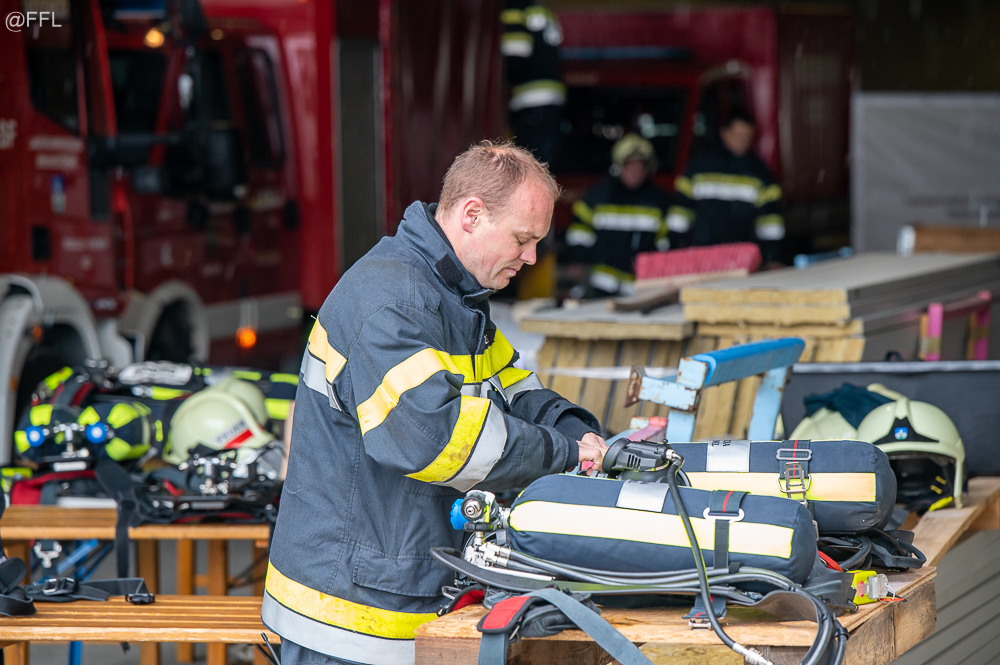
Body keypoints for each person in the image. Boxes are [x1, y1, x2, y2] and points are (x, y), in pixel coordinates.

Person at [262, 141, 609, 665]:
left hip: (397, 588)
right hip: (347, 617)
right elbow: (437, 440)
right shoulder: (391, 301)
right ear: (472, 215)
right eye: (522, 239)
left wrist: (577, 431)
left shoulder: (451, 295)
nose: (532, 258)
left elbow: (514, 389)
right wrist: (563, 454)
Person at [669, 109, 785, 264]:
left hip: (743, 259)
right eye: (738, 135)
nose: (742, 141)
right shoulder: (700, 167)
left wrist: (773, 257)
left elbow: (770, 221)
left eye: (747, 136)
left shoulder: (760, 173)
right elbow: (680, 213)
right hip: (702, 257)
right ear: (724, 133)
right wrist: (673, 250)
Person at [565, 133, 672, 296]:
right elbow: (579, 232)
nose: (635, 172)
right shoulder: (598, 196)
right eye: (630, 166)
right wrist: (578, 259)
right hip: (602, 282)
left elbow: (666, 241)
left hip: (641, 286)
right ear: (618, 167)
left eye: (640, 166)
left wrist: (653, 264)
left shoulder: (658, 201)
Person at [501, 0, 564, 163]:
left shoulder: (517, 7)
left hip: (530, 98)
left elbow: (516, 53)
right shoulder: (542, 10)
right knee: (542, 161)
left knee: (528, 162)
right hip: (551, 95)